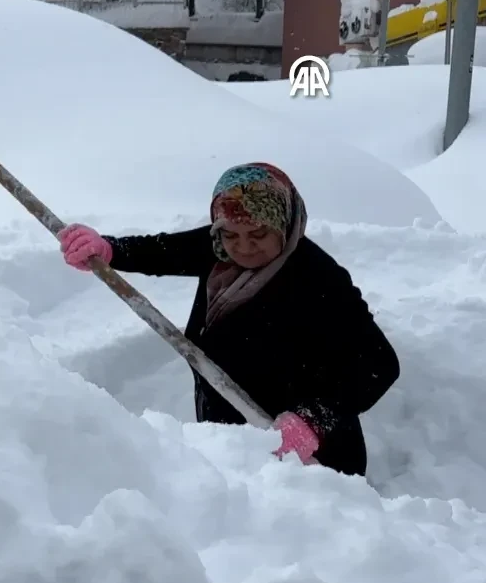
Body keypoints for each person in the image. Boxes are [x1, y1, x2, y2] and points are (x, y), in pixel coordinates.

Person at [57, 162, 398, 476]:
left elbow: (379, 364)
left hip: (311, 463)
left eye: (258, 235)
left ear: (284, 224)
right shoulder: (219, 252)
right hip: (231, 446)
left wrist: (313, 421)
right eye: (230, 235)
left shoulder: (318, 278)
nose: (243, 248)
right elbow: (167, 251)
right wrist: (110, 250)